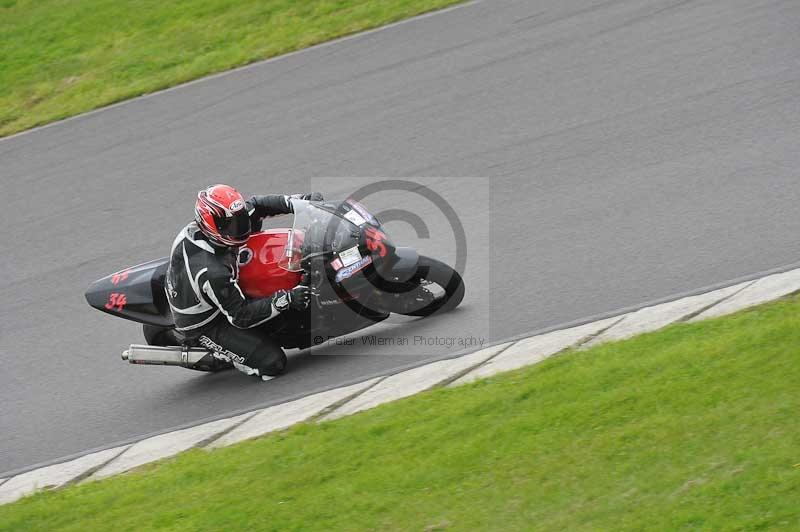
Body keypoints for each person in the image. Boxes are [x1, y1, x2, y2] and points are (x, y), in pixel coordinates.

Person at [159, 184, 322, 380]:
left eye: (240, 218)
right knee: (273, 363)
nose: (240, 227)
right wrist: (285, 299)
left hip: (217, 283)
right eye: (231, 224)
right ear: (211, 224)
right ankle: (226, 355)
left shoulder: (224, 227)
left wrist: (301, 202)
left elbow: (257, 205)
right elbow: (240, 315)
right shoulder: (213, 272)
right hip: (209, 321)